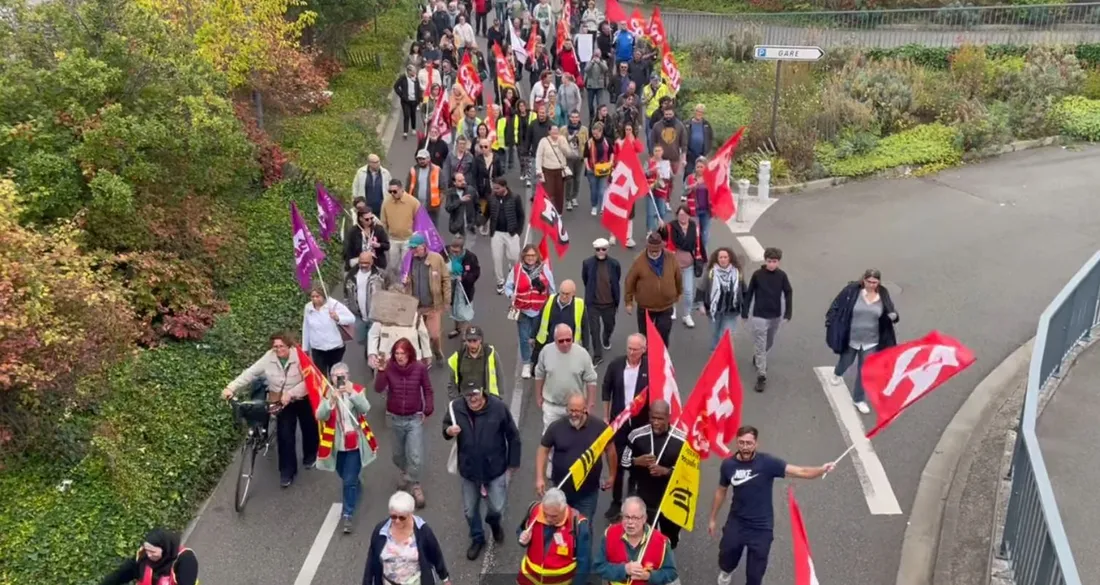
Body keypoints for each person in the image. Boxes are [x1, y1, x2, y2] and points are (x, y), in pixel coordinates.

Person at [709, 426, 835, 585]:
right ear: (737, 443)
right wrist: (713, 518)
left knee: (755, 576)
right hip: (737, 522)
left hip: (762, 527)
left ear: (756, 444)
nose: (745, 447)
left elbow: (801, 471)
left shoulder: (767, 463)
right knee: (727, 557)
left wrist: (821, 469)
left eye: (749, 443)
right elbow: (721, 491)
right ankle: (727, 573)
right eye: (741, 443)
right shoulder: (728, 465)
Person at [223, 332, 316, 488]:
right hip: (280, 401)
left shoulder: (301, 357)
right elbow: (250, 373)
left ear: (290, 346)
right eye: (275, 347)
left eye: (282, 346)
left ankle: (310, 455)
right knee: (285, 434)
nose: (279, 350)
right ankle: (287, 472)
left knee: (308, 427)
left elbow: (310, 380)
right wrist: (231, 387)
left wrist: (291, 393)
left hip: (301, 398)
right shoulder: (268, 358)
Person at [443, 380, 522, 559]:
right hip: (469, 469)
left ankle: (494, 523)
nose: (472, 399)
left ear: (483, 392)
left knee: (497, 507)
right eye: (468, 395)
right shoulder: (455, 407)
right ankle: (477, 538)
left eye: (475, 395)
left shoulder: (498, 407)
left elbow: (513, 435)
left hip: (495, 468)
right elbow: (445, 426)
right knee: (470, 511)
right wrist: (448, 431)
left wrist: (513, 462)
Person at [825, 268, 900, 414]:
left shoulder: (882, 294)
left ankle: (859, 399)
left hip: (871, 340)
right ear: (863, 280)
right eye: (869, 281)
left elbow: (892, 312)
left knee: (865, 370)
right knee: (846, 361)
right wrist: (831, 321)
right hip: (851, 337)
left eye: (875, 282)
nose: (871, 285)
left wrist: (893, 316)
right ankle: (837, 373)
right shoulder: (852, 292)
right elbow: (836, 306)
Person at [315, 362, 377, 533]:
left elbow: (365, 409)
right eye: (336, 375)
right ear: (332, 378)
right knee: (343, 474)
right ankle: (355, 482)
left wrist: (352, 393)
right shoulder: (327, 392)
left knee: (348, 481)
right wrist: (331, 400)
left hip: (355, 443)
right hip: (336, 445)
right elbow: (320, 415)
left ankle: (348, 514)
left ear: (348, 376)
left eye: (343, 374)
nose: (340, 378)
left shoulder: (356, 389)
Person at [536, 392, 615, 522]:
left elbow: (610, 450)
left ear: (585, 409)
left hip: (588, 493)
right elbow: (543, 450)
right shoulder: (556, 427)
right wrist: (540, 478)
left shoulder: (599, 427)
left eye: (577, 411)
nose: (573, 414)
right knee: (560, 526)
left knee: (583, 528)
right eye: (570, 410)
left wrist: (612, 475)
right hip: (561, 489)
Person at [375, 338, 434, 508]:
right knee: (398, 455)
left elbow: (428, 389)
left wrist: (428, 409)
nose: (399, 357)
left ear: (410, 354)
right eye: (397, 353)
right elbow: (378, 388)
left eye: (403, 353)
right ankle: (404, 472)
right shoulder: (389, 368)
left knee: (415, 455)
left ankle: (415, 485)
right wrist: (380, 371)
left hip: (414, 418)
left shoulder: (419, 368)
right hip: (395, 418)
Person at [620, 400, 685, 547]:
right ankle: (645, 565)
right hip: (643, 495)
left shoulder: (682, 440)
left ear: (669, 417)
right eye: (653, 418)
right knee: (643, 537)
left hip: (670, 499)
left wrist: (666, 471)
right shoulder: (636, 435)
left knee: (670, 539)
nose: (656, 422)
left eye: (660, 419)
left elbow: (687, 473)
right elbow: (623, 462)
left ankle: (665, 562)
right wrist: (637, 461)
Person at [600, 333, 649, 520]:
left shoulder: (650, 368)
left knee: (637, 464)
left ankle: (632, 501)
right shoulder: (616, 365)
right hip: (619, 423)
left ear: (643, 350)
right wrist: (606, 415)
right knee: (618, 464)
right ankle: (616, 502)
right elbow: (606, 389)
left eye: (635, 349)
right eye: (629, 348)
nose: (631, 352)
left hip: (640, 425)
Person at [362, 491, 452, 585]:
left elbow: (436, 555)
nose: (397, 521)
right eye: (393, 516)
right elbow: (371, 561)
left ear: (410, 514)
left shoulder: (423, 531)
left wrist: (445, 578)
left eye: (402, 518)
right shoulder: (380, 531)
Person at [740, 247, 793, 393]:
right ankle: (761, 376)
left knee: (769, 342)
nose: (771, 264)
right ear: (765, 260)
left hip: (775, 316)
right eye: (769, 261)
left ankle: (758, 356)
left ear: (779, 262)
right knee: (761, 344)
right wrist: (745, 312)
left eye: (774, 262)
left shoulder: (782, 276)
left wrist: (788, 313)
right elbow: (749, 293)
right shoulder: (758, 275)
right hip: (759, 316)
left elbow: (788, 293)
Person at [593, 497, 678, 585]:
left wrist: (648, 576)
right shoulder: (610, 534)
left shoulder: (662, 542)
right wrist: (624, 569)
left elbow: (671, 573)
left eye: (635, 518)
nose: (630, 522)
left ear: (644, 518)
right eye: (626, 517)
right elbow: (598, 567)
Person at [516, 488, 592, 585]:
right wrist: (522, 540)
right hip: (528, 580)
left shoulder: (579, 525)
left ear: (564, 509)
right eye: (545, 514)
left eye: (554, 516)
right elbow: (520, 531)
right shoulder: (534, 510)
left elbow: (584, 562)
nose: (548, 519)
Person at [505, 244, 556, 379]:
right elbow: (508, 287)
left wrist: (552, 305)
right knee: (524, 338)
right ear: (524, 256)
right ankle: (527, 364)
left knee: (541, 338)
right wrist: (511, 295)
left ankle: (540, 362)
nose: (530, 258)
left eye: (533, 255)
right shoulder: (517, 270)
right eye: (528, 255)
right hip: (523, 310)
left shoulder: (544, 269)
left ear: (537, 256)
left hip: (540, 311)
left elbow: (552, 289)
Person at [535, 323, 598, 428]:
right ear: (555, 340)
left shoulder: (582, 354)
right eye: (561, 341)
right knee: (550, 438)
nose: (565, 343)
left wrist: (590, 404)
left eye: (568, 340)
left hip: (576, 409)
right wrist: (538, 396)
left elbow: (591, 380)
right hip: (552, 406)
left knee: (576, 439)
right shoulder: (546, 352)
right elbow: (539, 374)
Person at [624, 233, 682, 347]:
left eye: (657, 250)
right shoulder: (639, 261)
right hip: (645, 307)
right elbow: (629, 282)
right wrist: (628, 302)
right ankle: (646, 359)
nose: (654, 253)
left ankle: (662, 358)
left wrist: (678, 293)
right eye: (652, 250)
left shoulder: (671, 258)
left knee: (664, 333)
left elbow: (678, 277)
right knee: (644, 337)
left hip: (666, 306)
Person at [403, 233, 452, 364]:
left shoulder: (436, 259)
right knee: (418, 335)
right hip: (416, 307)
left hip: (433, 306)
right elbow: (405, 276)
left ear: (423, 246)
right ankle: (424, 357)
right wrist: (406, 282)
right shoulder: (409, 260)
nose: (413, 251)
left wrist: (447, 300)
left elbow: (446, 279)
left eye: (415, 247)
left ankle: (437, 352)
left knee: (434, 335)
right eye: (411, 248)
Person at [658, 205, 706, 329]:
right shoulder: (670, 226)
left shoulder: (694, 227)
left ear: (689, 215)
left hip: (689, 264)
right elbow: (661, 238)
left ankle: (687, 315)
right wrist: (661, 228)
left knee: (689, 292)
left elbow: (699, 243)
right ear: (677, 215)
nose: (682, 217)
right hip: (673, 263)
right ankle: (673, 309)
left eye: (685, 215)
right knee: (673, 289)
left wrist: (703, 259)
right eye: (680, 215)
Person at [100, 529, 198, 585]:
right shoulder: (143, 556)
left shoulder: (186, 560)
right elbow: (121, 574)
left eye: (152, 551)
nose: (149, 555)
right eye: (147, 550)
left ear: (165, 548)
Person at [302, 286, 356, 378]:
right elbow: (306, 327)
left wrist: (338, 318)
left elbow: (352, 319)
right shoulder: (308, 307)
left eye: (317, 296)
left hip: (335, 347)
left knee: (336, 374)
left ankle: (339, 391)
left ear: (324, 296)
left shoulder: (334, 305)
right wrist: (305, 348)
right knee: (321, 376)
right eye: (312, 296)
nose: (314, 299)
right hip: (318, 348)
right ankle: (325, 392)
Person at [581, 238, 620, 365]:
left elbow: (616, 279)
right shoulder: (587, 263)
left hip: (610, 304)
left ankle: (606, 338)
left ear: (607, 249)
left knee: (610, 325)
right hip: (593, 305)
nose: (600, 252)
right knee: (594, 330)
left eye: (603, 249)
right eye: (598, 249)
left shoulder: (614, 264)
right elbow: (585, 279)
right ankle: (597, 355)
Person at [699, 247, 746, 351]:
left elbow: (744, 290)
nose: (723, 259)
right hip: (714, 311)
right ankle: (715, 355)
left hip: (731, 311)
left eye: (725, 257)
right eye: (720, 257)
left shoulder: (737, 273)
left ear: (730, 258)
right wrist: (701, 305)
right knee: (715, 334)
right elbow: (701, 289)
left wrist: (745, 310)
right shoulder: (711, 272)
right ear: (717, 259)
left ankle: (726, 360)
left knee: (726, 337)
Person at [533, 279, 588, 364]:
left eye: (567, 294)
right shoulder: (550, 300)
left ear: (573, 293)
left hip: (568, 347)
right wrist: (532, 336)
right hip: (549, 343)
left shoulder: (579, 305)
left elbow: (585, 327)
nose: (564, 296)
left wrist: (586, 347)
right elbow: (540, 318)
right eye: (562, 293)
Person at [345, 251, 387, 356]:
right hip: (358, 315)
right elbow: (346, 294)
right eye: (361, 262)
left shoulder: (380, 275)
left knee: (375, 338)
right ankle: (368, 348)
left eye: (366, 263)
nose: (363, 265)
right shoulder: (351, 275)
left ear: (372, 261)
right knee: (360, 339)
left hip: (375, 315)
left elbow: (388, 293)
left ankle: (373, 354)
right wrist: (347, 310)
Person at [487, 177, 524, 293]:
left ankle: (512, 273)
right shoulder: (491, 198)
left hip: (511, 232)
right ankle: (500, 282)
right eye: (494, 188)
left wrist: (518, 232)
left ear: (504, 187)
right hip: (496, 233)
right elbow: (487, 213)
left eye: (497, 188)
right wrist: (479, 222)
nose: (495, 190)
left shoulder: (515, 198)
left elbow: (521, 215)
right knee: (497, 258)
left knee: (514, 257)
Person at [380, 179, 423, 270]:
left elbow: (420, 220)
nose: (392, 193)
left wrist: (416, 238)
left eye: (394, 191)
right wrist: (383, 238)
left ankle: (404, 283)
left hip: (408, 240)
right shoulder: (386, 202)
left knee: (405, 267)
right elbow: (383, 222)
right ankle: (395, 283)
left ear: (401, 189)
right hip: (393, 239)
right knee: (393, 266)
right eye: (390, 191)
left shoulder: (413, 202)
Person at [446, 234, 480, 339]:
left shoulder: (471, 257)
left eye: (457, 251)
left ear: (462, 249)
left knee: (465, 312)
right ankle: (457, 328)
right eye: (453, 250)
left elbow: (476, 273)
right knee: (454, 309)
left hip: (464, 289)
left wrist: (464, 278)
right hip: (452, 287)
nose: (454, 253)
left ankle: (465, 333)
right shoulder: (446, 253)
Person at [535, 124, 574, 213]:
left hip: (560, 171)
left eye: (557, 130)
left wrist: (562, 146)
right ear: (549, 132)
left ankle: (558, 212)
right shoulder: (543, 141)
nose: (555, 132)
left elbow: (569, 154)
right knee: (549, 193)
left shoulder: (562, 139)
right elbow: (539, 156)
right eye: (553, 130)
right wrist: (539, 170)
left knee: (559, 193)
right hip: (548, 171)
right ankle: (548, 212)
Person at [407, 149, 444, 226]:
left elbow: (443, 188)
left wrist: (439, 201)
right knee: (418, 228)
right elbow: (407, 188)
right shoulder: (413, 170)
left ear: (429, 159)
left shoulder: (437, 170)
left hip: (432, 207)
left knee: (432, 228)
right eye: (419, 159)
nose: (421, 161)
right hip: (416, 207)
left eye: (423, 159)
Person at [560, 109, 587, 211]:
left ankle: (574, 197)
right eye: (573, 117)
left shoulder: (584, 130)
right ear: (570, 118)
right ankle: (568, 199)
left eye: (576, 117)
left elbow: (586, 143)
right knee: (569, 179)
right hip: (568, 158)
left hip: (579, 158)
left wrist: (585, 156)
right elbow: (560, 143)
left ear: (579, 118)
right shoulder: (564, 129)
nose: (575, 119)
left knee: (577, 179)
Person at [584, 122, 613, 217]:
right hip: (592, 170)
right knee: (594, 190)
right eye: (593, 134)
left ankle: (602, 206)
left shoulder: (607, 141)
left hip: (604, 170)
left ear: (601, 132)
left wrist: (611, 162)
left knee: (602, 190)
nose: (595, 135)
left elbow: (611, 152)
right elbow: (585, 156)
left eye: (596, 133)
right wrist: (587, 167)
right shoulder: (589, 142)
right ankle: (594, 205)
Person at [684, 104, 714, 180]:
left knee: (700, 174)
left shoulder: (706, 125)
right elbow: (682, 138)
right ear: (694, 111)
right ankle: (686, 190)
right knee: (688, 174)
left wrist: (707, 151)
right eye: (697, 111)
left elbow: (710, 138)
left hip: (701, 155)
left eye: (701, 112)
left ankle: (697, 191)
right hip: (689, 154)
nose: (699, 113)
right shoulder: (687, 123)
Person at [445, 171, 479, 236]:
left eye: (463, 180)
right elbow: (448, 208)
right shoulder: (450, 192)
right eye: (460, 181)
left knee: (468, 245)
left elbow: (477, 207)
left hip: (470, 227)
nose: (463, 182)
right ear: (454, 182)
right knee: (458, 245)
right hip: (457, 228)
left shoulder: (471, 190)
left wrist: (476, 222)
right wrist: (460, 200)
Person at [394, 65, 423, 140]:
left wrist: (420, 99)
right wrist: (402, 95)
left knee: (413, 114)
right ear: (409, 71)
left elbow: (418, 89)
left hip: (414, 100)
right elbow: (396, 86)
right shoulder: (403, 78)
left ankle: (413, 128)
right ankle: (405, 132)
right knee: (406, 115)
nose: (414, 73)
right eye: (413, 71)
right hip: (405, 100)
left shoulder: (416, 78)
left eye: (415, 71)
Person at [583, 51, 609, 121]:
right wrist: (592, 63)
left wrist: (599, 62)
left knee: (599, 103)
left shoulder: (603, 61)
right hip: (591, 85)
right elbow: (586, 70)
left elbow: (606, 69)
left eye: (598, 54)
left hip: (599, 86)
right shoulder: (589, 62)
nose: (597, 55)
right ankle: (591, 115)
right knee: (590, 104)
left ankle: (598, 117)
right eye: (596, 54)